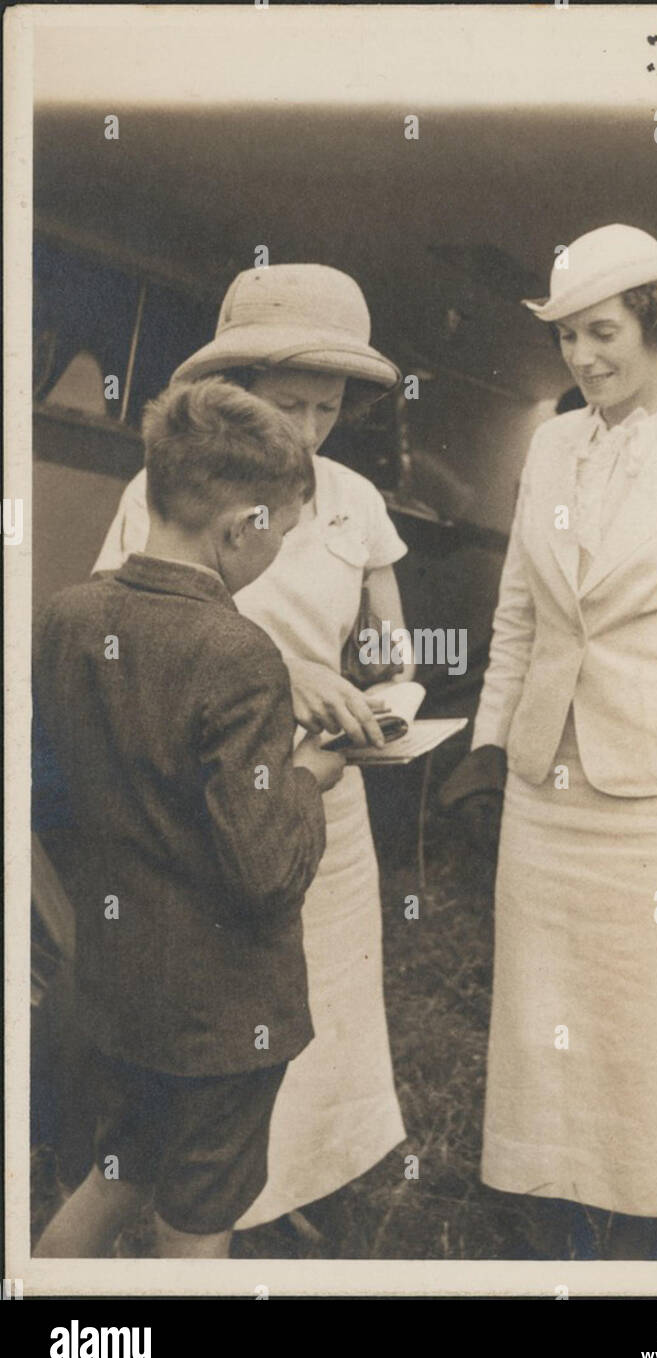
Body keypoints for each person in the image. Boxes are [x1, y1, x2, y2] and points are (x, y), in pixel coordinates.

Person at [444, 224, 657, 1258]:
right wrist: (486, 744)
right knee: (537, 1011)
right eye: (566, 338)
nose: (583, 357)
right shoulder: (552, 443)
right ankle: (549, 1206)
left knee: (649, 1018)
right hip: (547, 787)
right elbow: (520, 616)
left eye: (602, 333)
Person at [93, 264, 412, 1232]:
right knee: (218, 1029)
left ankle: (286, 1189)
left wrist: (378, 695)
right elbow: (128, 635)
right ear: (236, 397)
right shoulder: (169, 487)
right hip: (211, 813)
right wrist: (278, 672)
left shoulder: (355, 500)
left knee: (325, 1013)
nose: (308, 430)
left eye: (326, 408)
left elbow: (392, 652)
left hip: (327, 807)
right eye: (288, 404)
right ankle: (204, 1208)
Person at [33, 379, 344, 1258]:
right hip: (221, 1022)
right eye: (281, 531)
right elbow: (264, 869)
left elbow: (51, 799)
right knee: (196, 1229)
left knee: (116, 1177)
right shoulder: (239, 652)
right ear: (241, 525)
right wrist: (310, 777)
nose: (278, 548)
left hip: (111, 988)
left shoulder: (66, 615)